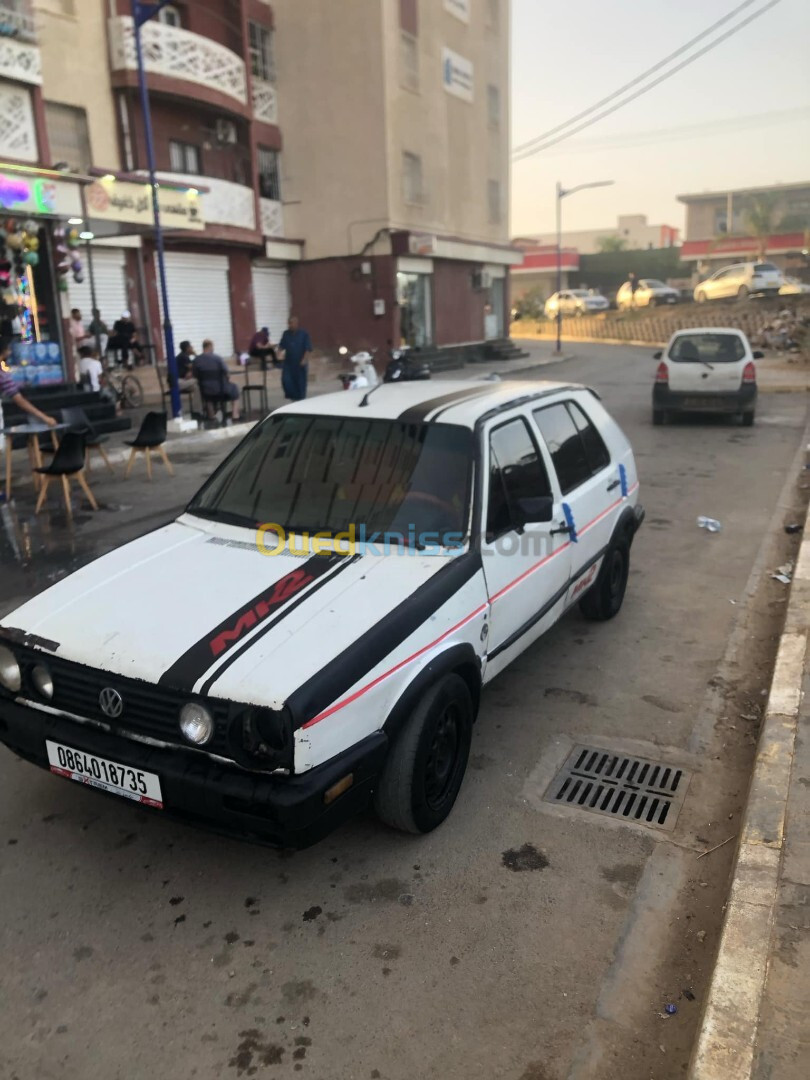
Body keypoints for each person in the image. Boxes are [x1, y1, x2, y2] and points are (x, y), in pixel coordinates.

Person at [0, 337, 58, 436]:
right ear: (5, 351)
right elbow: (19, 400)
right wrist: (44, 417)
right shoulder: (2, 374)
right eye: (9, 349)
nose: (10, 352)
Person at [192, 339, 241, 422]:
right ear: (210, 347)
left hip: (205, 390)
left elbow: (195, 374)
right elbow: (227, 374)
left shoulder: (197, 360)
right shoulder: (218, 358)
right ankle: (235, 415)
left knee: (208, 396)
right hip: (221, 389)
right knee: (234, 387)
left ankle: (211, 416)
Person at [277, 315, 312, 401]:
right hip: (289, 363)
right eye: (289, 323)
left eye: (291, 323)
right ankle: (293, 398)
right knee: (286, 381)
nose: (290, 325)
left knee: (300, 384)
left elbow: (308, 348)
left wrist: (304, 359)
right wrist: (278, 353)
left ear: (296, 323)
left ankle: (300, 401)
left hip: (300, 363)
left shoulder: (304, 334)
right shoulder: (286, 334)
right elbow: (281, 346)